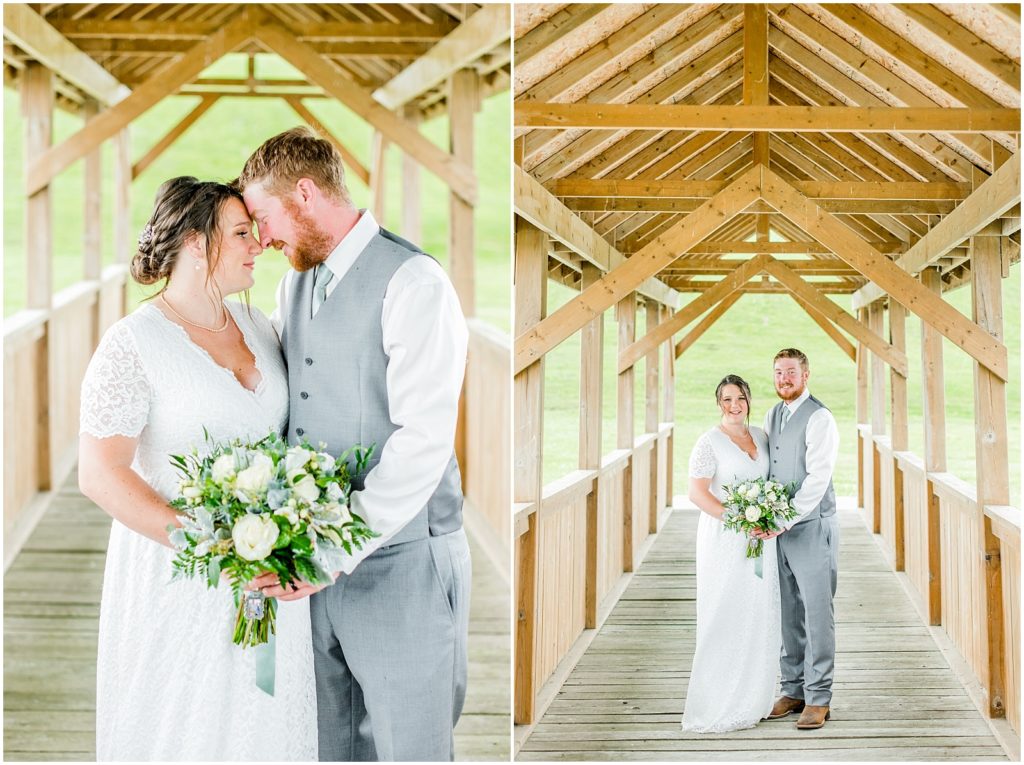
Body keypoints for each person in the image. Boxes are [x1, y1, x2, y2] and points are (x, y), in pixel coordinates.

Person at [236, 126, 471, 762]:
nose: (262, 239)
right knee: (326, 744)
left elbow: (424, 440)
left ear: (304, 194)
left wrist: (334, 548)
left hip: (404, 563)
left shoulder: (414, 282)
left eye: (263, 218)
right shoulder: (296, 282)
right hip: (314, 573)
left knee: (409, 746)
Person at [77, 177, 317, 760]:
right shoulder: (133, 344)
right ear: (193, 242)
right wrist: (212, 545)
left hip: (265, 574)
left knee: (262, 725)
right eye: (240, 233)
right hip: (179, 574)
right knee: (183, 726)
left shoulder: (261, 327)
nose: (257, 244)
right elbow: (100, 473)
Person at [681, 375, 779, 733]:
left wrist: (765, 517)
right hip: (725, 538)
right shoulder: (709, 443)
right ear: (718, 403)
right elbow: (697, 493)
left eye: (739, 398)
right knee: (725, 611)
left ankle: (754, 698)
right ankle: (717, 701)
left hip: (760, 541)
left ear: (749, 401)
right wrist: (738, 518)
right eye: (726, 399)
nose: (733, 405)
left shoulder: (763, 439)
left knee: (757, 612)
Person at [758, 348, 840, 730]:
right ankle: (793, 690)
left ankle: (819, 697)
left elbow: (817, 478)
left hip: (810, 527)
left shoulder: (819, 417)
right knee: (789, 610)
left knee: (817, 613)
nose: (783, 379)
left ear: (806, 375)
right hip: (779, 530)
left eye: (790, 372)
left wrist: (784, 518)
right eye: (778, 373)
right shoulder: (773, 415)